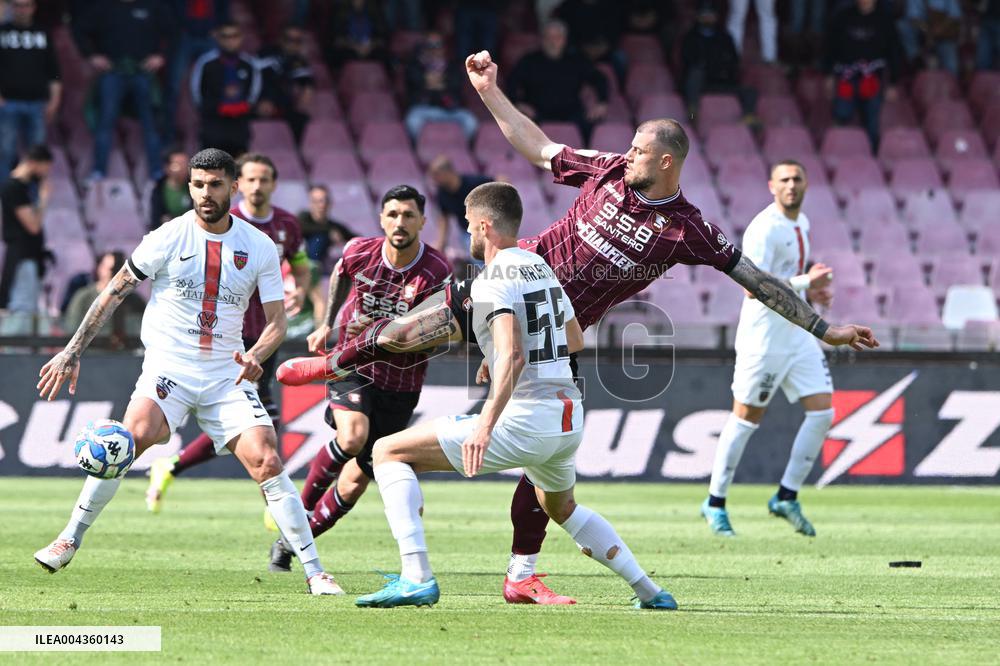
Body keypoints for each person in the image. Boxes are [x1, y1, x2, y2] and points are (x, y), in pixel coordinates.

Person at [277, 50, 879, 601]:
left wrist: (825, 329)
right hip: (516, 278)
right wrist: (490, 92)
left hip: (550, 334)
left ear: (666, 162)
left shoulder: (687, 228)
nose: (630, 154)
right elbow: (538, 147)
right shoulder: (610, 171)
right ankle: (335, 363)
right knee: (414, 328)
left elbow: (755, 278)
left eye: (641, 150)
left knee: (548, 485)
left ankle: (520, 575)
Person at [345, 181, 676, 609]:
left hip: (527, 416)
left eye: (468, 227)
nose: (468, 235)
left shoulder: (490, 280)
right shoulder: (540, 267)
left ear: (484, 226)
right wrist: (495, 355)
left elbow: (515, 354)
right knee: (564, 509)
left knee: (388, 452)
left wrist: (485, 424)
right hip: (568, 415)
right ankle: (651, 592)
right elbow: (573, 339)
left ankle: (416, 577)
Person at [33, 148, 343, 595]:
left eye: (215, 184)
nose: (205, 193)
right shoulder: (165, 237)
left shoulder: (257, 245)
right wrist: (72, 350)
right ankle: (68, 538)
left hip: (226, 373)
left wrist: (256, 353)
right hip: (169, 368)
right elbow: (113, 293)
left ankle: (316, 571)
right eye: (198, 185)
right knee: (127, 439)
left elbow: (276, 322)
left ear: (232, 187)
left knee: (268, 459)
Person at [267, 184, 455, 574]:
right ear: (381, 218)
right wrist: (326, 325)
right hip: (351, 364)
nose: (399, 222)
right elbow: (338, 274)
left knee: (354, 483)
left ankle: (291, 545)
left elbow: (441, 330)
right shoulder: (359, 251)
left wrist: (399, 338)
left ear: (422, 221)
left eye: (408, 215)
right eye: (393, 214)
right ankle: (299, 509)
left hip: (401, 382)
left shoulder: (437, 271)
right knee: (351, 436)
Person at [145, 152, 312, 513]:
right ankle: (272, 503)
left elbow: (300, 266)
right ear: (239, 186)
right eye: (251, 179)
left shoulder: (286, 226)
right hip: (227, 339)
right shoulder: (222, 221)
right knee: (256, 419)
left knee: (262, 419)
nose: (257, 186)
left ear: (273, 184)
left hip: (265, 335)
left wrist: (299, 288)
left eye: (263, 179)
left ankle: (269, 499)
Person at [701, 160, 835, 538]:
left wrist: (814, 289)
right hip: (764, 340)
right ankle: (714, 503)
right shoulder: (764, 228)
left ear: (806, 184)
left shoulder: (801, 222)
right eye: (784, 180)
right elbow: (751, 286)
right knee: (745, 420)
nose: (792, 185)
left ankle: (786, 496)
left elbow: (789, 280)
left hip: (797, 335)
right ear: (771, 186)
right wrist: (808, 280)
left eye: (797, 179)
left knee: (823, 412)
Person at [73, 0, 173, 182]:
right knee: (105, 124)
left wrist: (160, 55)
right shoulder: (103, 7)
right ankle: (98, 171)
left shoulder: (152, 6)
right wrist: (91, 55)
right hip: (113, 72)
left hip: (143, 73)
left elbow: (172, 32)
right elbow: (79, 30)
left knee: (151, 124)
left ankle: (157, 172)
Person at [507, 20, 608, 142]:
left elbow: (600, 79)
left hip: (571, 113)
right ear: (542, 40)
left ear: (564, 40)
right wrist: (518, 103)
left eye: (557, 37)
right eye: (548, 37)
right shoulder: (529, 61)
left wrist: (602, 102)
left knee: (592, 127)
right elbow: (511, 81)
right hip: (537, 113)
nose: (552, 41)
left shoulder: (577, 61)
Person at [825, 0, 900, 152]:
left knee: (872, 122)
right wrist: (828, 75)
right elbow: (830, 47)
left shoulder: (885, 19)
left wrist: (893, 82)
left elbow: (894, 52)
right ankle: (840, 154)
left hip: (872, 78)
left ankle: (872, 158)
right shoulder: (843, 17)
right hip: (847, 77)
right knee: (841, 115)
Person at [0, 0, 61, 177]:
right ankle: (5, 199)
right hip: (8, 103)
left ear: (33, 8)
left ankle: (34, 200)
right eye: (18, 5)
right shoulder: (2, 32)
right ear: (12, 8)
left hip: (37, 103)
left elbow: (54, 71)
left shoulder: (43, 33)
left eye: (26, 5)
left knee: (37, 155)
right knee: (6, 152)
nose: (22, 10)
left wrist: (55, 100)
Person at [190, 21, 261, 158]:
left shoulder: (249, 64)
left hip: (239, 126)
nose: (230, 41)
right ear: (218, 38)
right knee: (211, 172)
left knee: (238, 172)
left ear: (241, 38)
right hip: (213, 125)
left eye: (234, 36)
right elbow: (196, 93)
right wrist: (212, 109)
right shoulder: (206, 62)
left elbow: (254, 93)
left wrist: (243, 108)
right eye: (225, 36)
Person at [163, 0, 229, 144]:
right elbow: (167, 6)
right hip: (183, 35)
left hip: (210, 34)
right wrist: (177, 28)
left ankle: (214, 136)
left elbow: (224, 6)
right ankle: (169, 138)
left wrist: (218, 27)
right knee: (173, 87)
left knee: (216, 86)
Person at [0, 144, 51, 320]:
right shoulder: (13, 188)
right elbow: (33, 226)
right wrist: (44, 200)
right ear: (34, 163)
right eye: (44, 168)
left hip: (30, 256)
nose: (44, 174)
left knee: (29, 308)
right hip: (22, 258)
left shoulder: (25, 187)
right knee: (22, 308)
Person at [681, 2, 757, 118]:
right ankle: (693, 113)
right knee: (695, 73)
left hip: (722, 82)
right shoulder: (690, 37)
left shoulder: (725, 37)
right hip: (700, 85)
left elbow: (734, 62)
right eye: (704, 14)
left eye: (710, 14)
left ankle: (748, 118)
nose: (707, 17)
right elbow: (687, 63)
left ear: (716, 16)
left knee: (750, 92)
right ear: (698, 16)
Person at [404, 31, 478, 141]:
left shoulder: (452, 67)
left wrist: (430, 82)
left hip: (449, 110)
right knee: (412, 121)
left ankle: (458, 149)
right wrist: (436, 82)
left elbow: (456, 84)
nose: (434, 49)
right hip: (424, 109)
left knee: (470, 121)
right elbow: (414, 81)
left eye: (437, 45)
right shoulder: (415, 65)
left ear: (443, 48)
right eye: (430, 46)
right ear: (424, 48)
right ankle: (424, 150)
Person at [63, 250, 146, 341]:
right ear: (100, 269)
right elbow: (72, 328)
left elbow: (143, 327)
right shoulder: (84, 297)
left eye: (119, 270)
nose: (116, 274)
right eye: (111, 269)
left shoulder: (133, 300)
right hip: (93, 352)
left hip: (125, 353)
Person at [258, 24, 315, 144]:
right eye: (289, 39)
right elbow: (259, 79)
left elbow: (306, 81)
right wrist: (264, 99)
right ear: (281, 39)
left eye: (297, 41)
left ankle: (292, 152)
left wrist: (307, 89)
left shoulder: (299, 61)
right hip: (261, 100)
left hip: (284, 103)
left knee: (301, 118)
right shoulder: (266, 53)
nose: (293, 44)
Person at [427, 155, 490, 252]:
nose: (433, 179)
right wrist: (441, 243)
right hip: (468, 233)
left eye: (436, 175)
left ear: (448, 172)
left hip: (489, 230)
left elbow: (500, 183)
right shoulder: (442, 193)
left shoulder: (474, 183)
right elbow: (444, 218)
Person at [897, 0, 962, 76]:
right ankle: (916, 60)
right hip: (922, 34)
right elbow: (912, 18)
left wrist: (940, 28)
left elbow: (956, 15)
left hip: (944, 35)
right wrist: (927, 30)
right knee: (903, 26)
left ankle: (951, 84)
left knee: (951, 66)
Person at [297, 183, 356, 266]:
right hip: (302, 266)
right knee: (319, 238)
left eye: (325, 200)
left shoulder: (334, 226)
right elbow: (302, 228)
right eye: (316, 201)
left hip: (324, 267)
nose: (322, 205)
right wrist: (329, 232)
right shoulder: (303, 218)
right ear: (310, 203)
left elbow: (355, 237)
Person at [149, 147, 193, 230]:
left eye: (185, 164)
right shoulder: (158, 189)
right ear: (166, 167)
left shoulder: (196, 187)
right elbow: (156, 220)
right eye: (178, 165)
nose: (183, 168)